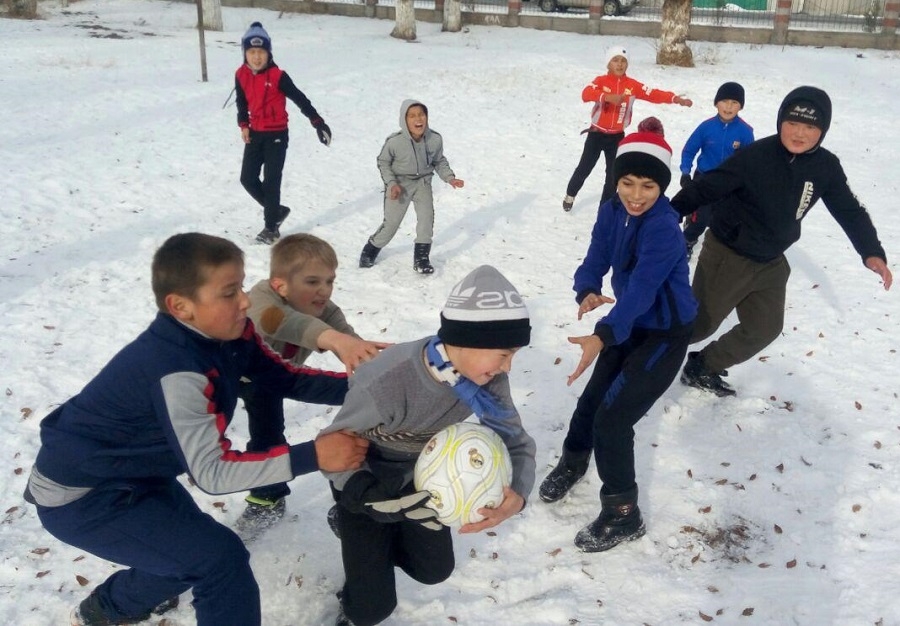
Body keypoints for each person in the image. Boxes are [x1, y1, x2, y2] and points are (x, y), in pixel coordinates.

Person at [24, 233, 369, 626]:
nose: (244, 300)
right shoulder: (175, 370)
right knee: (218, 560)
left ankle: (103, 611)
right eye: (228, 292)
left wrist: (369, 384)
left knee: (184, 556)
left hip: (138, 473)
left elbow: (284, 377)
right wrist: (315, 455)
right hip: (84, 498)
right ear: (181, 307)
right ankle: (106, 610)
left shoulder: (231, 333)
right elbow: (213, 472)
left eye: (241, 285)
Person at [322, 265, 536, 626]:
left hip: (422, 480)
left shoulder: (486, 379)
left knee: (434, 571)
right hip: (365, 483)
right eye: (504, 354)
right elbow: (330, 448)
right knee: (373, 608)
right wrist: (361, 494)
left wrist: (517, 492)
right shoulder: (387, 383)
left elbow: (514, 439)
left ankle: (373, 548)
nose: (508, 367)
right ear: (467, 341)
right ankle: (356, 584)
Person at [672, 86, 892, 397]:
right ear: (780, 122)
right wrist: (668, 214)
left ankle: (702, 366)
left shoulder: (826, 167)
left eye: (810, 127)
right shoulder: (754, 156)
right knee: (698, 325)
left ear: (822, 131)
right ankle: (639, 356)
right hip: (729, 254)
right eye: (792, 123)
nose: (799, 133)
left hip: (771, 260)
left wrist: (871, 251)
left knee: (763, 328)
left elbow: (849, 209)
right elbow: (706, 188)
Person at [540, 126, 697, 553]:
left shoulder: (664, 226)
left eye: (648, 185)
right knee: (592, 402)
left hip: (664, 333)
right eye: (627, 182)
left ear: (661, 187)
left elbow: (645, 288)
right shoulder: (611, 210)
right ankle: (573, 463)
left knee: (613, 419)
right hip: (628, 321)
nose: (636, 194)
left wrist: (602, 334)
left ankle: (623, 514)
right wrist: (587, 286)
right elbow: (597, 253)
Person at [236, 233, 389, 536]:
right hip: (230, 377)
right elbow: (283, 322)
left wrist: (382, 369)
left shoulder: (326, 310)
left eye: (330, 281)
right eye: (312, 282)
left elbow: (351, 342)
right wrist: (334, 339)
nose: (324, 290)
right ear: (281, 285)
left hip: (275, 380)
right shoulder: (262, 300)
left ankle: (268, 499)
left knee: (267, 435)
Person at [235, 22, 333, 245]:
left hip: (276, 136)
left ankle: (271, 228)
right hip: (255, 134)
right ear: (245, 53)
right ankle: (276, 210)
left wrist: (318, 122)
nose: (256, 57)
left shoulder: (278, 76)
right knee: (247, 178)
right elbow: (241, 103)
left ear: (269, 53)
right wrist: (244, 125)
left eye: (261, 52)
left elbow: (300, 98)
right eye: (252, 52)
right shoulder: (241, 75)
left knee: (271, 181)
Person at [562, 45, 692, 213]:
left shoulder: (632, 86)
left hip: (616, 137)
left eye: (623, 61)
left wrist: (674, 99)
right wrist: (606, 97)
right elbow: (586, 94)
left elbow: (653, 94)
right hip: (596, 134)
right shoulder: (600, 81)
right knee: (584, 168)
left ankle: (604, 210)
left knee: (612, 176)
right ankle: (570, 194)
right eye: (615, 60)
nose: (620, 64)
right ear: (608, 63)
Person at [358, 99, 465, 274]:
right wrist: (392, 183)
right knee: (391, 224)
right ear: (404, 120)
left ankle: (421, 259)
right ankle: (370, 250)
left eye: (421, 115)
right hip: (399, 185)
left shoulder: (435, 139)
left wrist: (450, 178)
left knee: (426, 219)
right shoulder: (395, 142)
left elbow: (439, 161)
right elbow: (383, 162)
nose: (418, 119)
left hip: (423, 182)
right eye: (412, 115)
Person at [680, 81, 755, 259]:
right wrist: (685, 172)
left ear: (740, 107)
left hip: (729, 182)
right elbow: (689, 150)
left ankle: (721, 249)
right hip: (705, 178)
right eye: (724, 101)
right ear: (716, 103)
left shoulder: (745, 131)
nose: (729, 107)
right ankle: (687, 241)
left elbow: (750, 160)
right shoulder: (706, 127)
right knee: (702, 219)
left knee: (725, 218)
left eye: (734, 103)